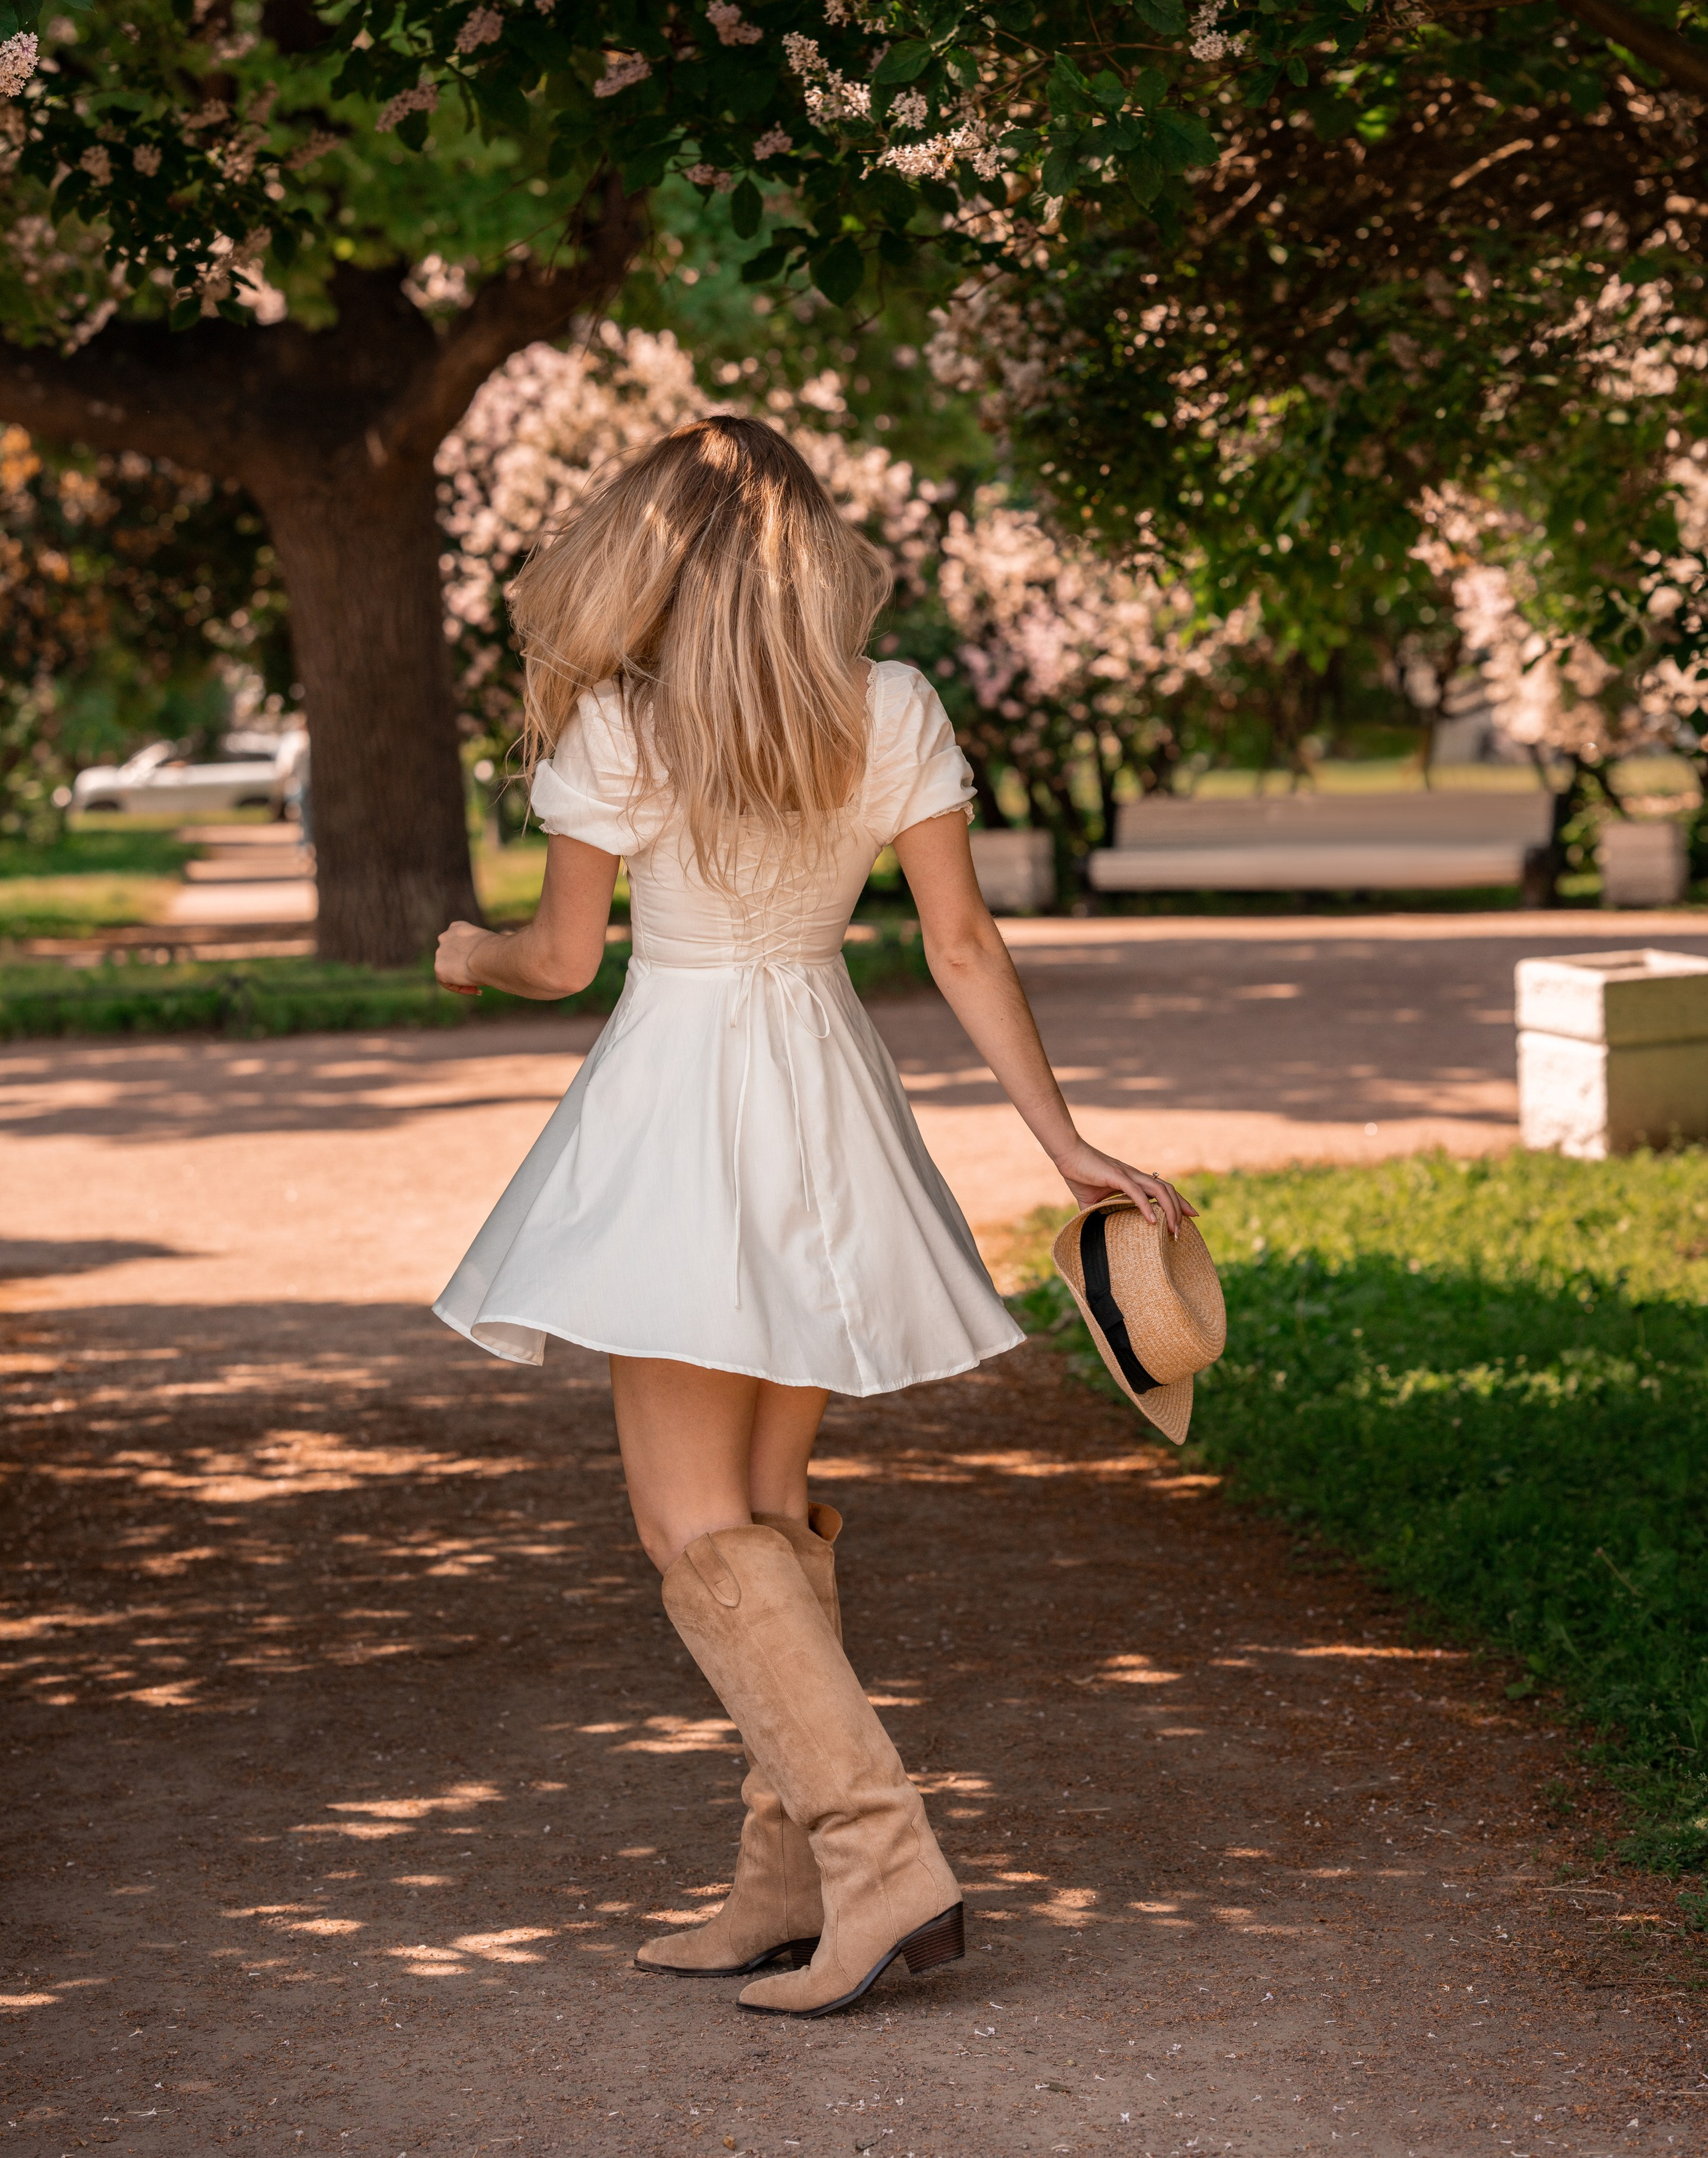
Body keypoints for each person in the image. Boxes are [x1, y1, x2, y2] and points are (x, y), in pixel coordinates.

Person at [432, 417, 1194, 2019]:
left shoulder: (620, 723)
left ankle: (881, 1861)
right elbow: (964, 944)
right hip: (828, 1091)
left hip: (685, 1104)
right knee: (765, 1507)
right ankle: (784, 1885)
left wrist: (466, 953)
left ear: (655, 554)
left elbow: (564, 961)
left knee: (688, 1527)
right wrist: (1057, 1142)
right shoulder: (891, 705)